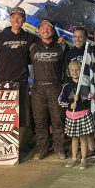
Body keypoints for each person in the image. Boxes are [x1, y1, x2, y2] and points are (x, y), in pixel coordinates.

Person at [0, 7, 38, 150]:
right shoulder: (0, 37)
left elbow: (44, 42)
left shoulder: (29, 38)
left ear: (24, 20)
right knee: (4, 115)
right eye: (13, 17)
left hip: (22, 83)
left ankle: (21, 146)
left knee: (23, 116)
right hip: (3, 84)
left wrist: (59, 40)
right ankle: (4, 145)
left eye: (19, 18)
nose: (16, 20)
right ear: (10, 19)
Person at [64, 27, 95, 166]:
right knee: (86, 121)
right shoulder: (69, 53)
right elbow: (67, 74)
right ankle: (92, 150)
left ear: (86, 38)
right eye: (75, 36)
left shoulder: (93, 50)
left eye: (80, 37)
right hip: (79, 93)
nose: (77, 39)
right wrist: (70, 93)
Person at [29, 19, 67, 160]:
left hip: (55, 87)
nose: (45, 30)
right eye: (42, 28)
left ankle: (59, 149)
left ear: (53, 31)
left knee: (57, 120)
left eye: (48, 28)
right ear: (38, 31)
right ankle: (42, 149)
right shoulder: (32, 46)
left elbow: (69, 65)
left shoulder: (62, 46)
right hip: (38, 88)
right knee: (40, 120)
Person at [58, 60, 95, 169]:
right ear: (69, 71)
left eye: (77, 69)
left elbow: (90, 97)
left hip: (83, 114)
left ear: (81, 70)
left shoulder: (85, 84)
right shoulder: (66, 86)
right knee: (74, 138)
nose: (74, 71)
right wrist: (70, 105)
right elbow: (60, 100)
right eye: (72, 70)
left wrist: (84, 96)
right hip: (71, 116)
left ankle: (83, 159)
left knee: (83, 138)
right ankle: (74, 158)